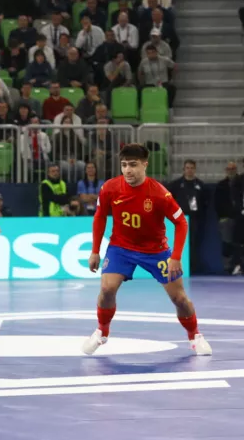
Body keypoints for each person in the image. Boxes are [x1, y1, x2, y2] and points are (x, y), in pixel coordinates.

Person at [84, 143, 212, 356]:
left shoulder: (160, 194)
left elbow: (181, 223)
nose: (128, 170)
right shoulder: (110, 188)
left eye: (133, 165)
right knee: (106, 290)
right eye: (124, 165)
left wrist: (176, 257)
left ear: (145, 165)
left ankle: (195, 336)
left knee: (179, 299)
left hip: (156, 251)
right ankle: (102, 331)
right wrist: (95, 250)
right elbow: (99, 217)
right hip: (120, 248)